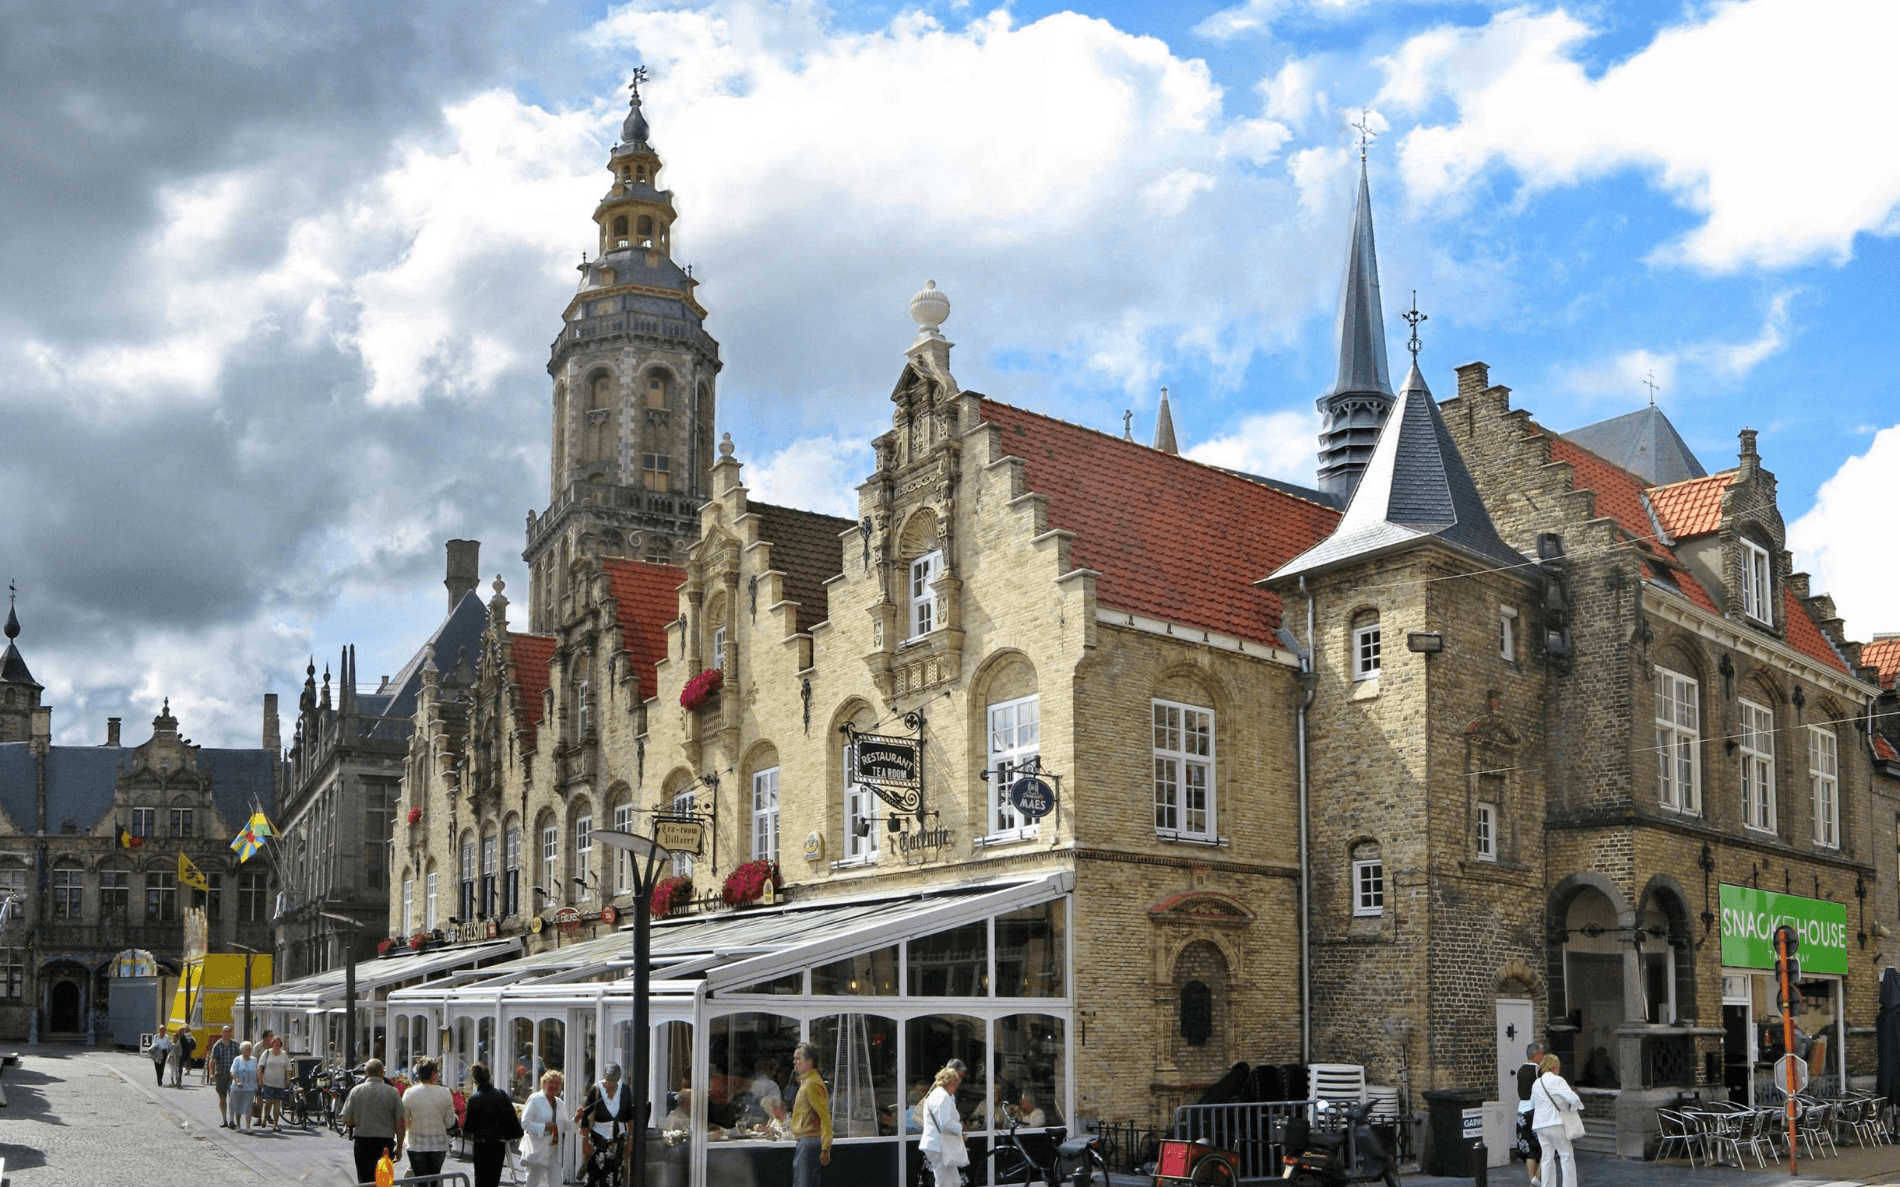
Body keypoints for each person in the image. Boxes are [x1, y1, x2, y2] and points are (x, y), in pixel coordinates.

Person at [340, 1057, 406, 1186]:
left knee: (365, 1181)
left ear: (366, 1073)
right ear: (382, 1073)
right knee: (383, 1181)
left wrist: (360, 1119)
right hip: (385, 1143)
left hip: (362, 1142)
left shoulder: (356, 1091)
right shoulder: (392, 1092)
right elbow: (400, 1122)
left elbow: (346, 1120)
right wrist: (399, 1147)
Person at [462, 1062, 524, 1187]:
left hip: (481, 1145)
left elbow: (467, 1128)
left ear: (475, 1081)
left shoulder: (474, 1099)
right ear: (489, 1077)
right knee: (493, 1181)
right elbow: (512, 1120)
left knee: (481, 1181)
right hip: (498, 1145)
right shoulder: (502, 1095)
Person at [577, 1062, 635, 1187]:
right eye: (609, 1080)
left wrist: (630, 1140)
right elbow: (585, 1119)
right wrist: (585, 1141)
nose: (611, 1084)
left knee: (615, 1177)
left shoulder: (625, 1090)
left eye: (614, 1081)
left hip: (617, 1141)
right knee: (596, 1176)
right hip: (598, 1141)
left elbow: (629, 1118)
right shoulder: (596, 1090)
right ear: (604, 1077)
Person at [1530, 1054, 1583, 1187]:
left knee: (1547, 1158)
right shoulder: (1557, 1080)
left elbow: (1532, 1104)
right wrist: (1573, 1108)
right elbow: (1573, 1099)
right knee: (1566, 1156)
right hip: (1555, 1122)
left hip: (1539, 1125)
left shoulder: (1537, 1083)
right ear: (1555, 1066)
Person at [402, 1057, 459, 1179]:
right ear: (433, 1074)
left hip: (416, 1144)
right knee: (434, 1179)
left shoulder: (409, 1093)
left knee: (420, 1180)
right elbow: (450, 1122)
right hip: (437, 1144)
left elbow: (404, 1121)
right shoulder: (445, 1092)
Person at [520, 1068, 573, 1187]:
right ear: (544, 1083)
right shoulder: (535, 1099)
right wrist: (544, 1127)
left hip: (554, 1148)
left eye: (557, 1083)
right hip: (538, 1147)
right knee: (532, 1181)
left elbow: (564, 1125)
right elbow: (525, 1123)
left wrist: (576, 1120)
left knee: (556, 1183)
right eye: (551, 1082)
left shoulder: (559, 1102)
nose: (554, 1086)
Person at [790, 1042, 833, 1187]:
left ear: (809, 1061)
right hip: (807, 1141)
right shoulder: (808, 1082)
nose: (794, 1062)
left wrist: (825, 1147)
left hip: (809, 1142)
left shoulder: (812, 1084)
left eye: (798, 1058)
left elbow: (825, 1116)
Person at [918, 1060, 966, 1187]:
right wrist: (960, 1128)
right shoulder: (943, 1097)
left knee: (954, 1181)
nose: (956, 1087)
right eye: (955, 1084)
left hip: (938, 1145)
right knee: (945, 1183)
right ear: (949, 1082)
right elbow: (945, 1123)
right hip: (939, 1146)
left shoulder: (936, 1094)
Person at [1516, 1042, 1544, 1187]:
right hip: (1534, 1111)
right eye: (1542, 1053)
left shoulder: (1520, 1070)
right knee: (1543, 1148)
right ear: (1535, 1054)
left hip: (1521, 1111)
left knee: (1529, 1150)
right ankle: (1537, 1179)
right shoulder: (1537, 1070)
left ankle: (1532, 1182)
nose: (1543, 1056)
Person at [206, 1026, 240, 1126]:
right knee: (222, 1097)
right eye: (224, 1032)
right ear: (221, 1033)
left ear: (230, 1033)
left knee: (232, 1097)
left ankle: (231, 1120)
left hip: (232, 1075)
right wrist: (211, 1074)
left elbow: (239, 1060)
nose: (226, 1033)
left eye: (228, 1032)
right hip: (220, 1074)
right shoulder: (217, 1045)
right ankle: (224, 1119)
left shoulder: (235, 1045)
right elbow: (212, 1062)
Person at [258, 1034, 291, 1131]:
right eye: (275, 1043)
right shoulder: (267, 1053)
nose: (276, 1044)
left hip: (280, 1083)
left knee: (277, 1103)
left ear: (280, 1044)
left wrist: (288, 1079)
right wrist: (260, 1079)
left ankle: (275, 1124)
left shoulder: (284, 1054)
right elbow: (260, 1066)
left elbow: (288, 1068)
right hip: (268, 1082)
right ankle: (265, 1118)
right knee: (268, 1102)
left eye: (278, 1043)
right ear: (272, 1044)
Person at [229, 1041, 259, 1134]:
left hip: (250, 1087)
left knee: (248, 1107)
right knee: (238, 1106)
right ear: (242, 1050)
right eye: (246, 1049)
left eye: (250, 1049)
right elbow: (233, 1072)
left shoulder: (254, 1060)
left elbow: (257, 1072)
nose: (248, 1051)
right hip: (238, 1087)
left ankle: (248, 1127)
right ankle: (238, 1125)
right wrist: (237, 1081)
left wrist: (259, 1083)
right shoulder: (237, 1059)